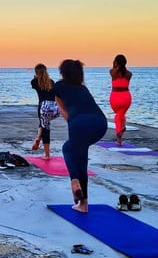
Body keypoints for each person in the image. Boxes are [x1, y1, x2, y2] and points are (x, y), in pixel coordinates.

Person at [54, 59, 107, 213]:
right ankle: (83, 204)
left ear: (63, 73)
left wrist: (58, 103)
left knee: (68, 149)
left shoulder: (59, 86)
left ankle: (75, 182)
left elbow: (67, 115)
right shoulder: (83, 89)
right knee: (80, 153)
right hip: (100, 123)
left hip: (78, 123)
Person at [31, 63, 60, 159]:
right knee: (43, 124)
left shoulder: (35, 81)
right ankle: (38, 138)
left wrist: (36, 77)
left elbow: (35, 84)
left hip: (43, 106)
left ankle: (47, 155)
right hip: (54, 107)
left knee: (45, 129)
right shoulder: (51, 81)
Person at [109, 54, 132, 146]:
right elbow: (124, 74)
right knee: (121, 114)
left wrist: (115, 65)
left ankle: (119, 131)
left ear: (116, 62)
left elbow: (113, 71)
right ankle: (121, 130)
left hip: (115, 96)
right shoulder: (129, 74)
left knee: (118, 115)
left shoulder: (112, 72)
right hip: (126, 97)